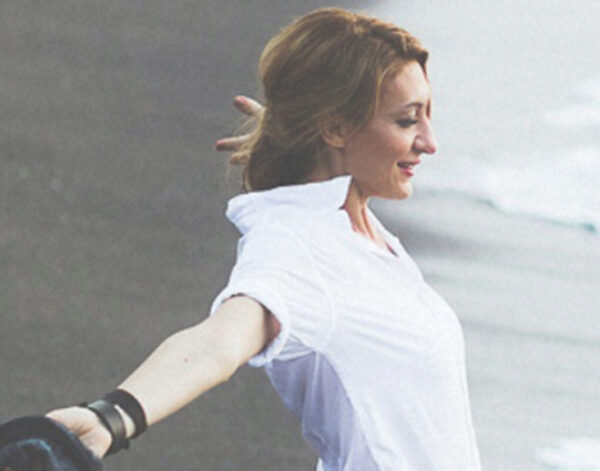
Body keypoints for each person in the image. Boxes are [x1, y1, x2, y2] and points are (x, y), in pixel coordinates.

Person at [47, 8, 482, 470]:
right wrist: (114, 417)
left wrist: (291, 142)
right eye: (407, 121)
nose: (429, 142)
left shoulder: (359, 234)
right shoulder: (299, 249)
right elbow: (220, 341)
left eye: (427, 115)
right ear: (335, 128)